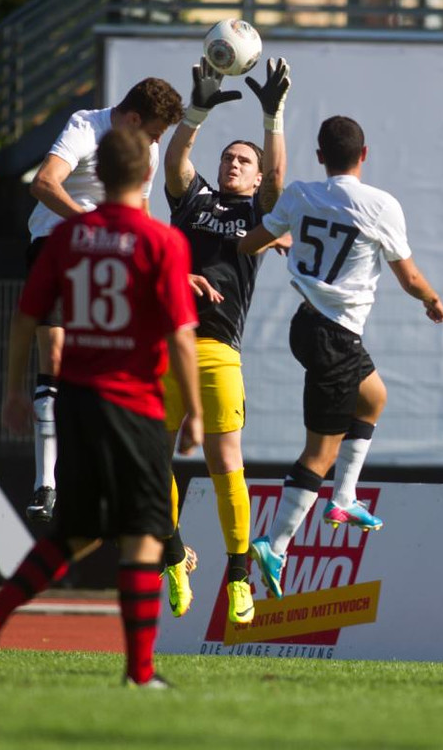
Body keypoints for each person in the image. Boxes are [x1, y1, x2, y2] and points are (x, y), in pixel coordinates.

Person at [0, 128, 202, 687]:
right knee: (144, 534)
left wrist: (14, 391)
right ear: (146, 174)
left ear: (100, 175)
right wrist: (191, 411)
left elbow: (28, 317)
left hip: (77, 404)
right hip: (134, 405)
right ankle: (140, 672)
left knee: (75, 532)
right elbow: (181, 338)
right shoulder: (160, 241)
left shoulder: (67, 237)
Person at [238, 115, 443, 598]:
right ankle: (275, 543)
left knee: (373, 398)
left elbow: (250, 242)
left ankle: (345, 497)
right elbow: (410, 277)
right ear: (364, 154)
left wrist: (269, 235)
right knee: (320, 452)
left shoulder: (300, 194)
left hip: (307, 327)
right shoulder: (381, 205)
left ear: (320, 156)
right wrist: (432, 299)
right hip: (335, 338)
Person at [161, 56, 291, 625]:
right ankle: (173, 557)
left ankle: (238, 577)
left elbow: (279, 184)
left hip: (217, 350)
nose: (234, 164)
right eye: (229, 158)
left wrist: (272, 117)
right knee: (151, 459)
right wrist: (195, 112)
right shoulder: (194, 200)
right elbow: (174, 163)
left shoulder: (257, 212)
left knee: (225, 461)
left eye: (244, 161)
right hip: (166, 344)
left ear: (256, 178)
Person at [25, 77, 184, 523]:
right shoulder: (85, 127)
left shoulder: (145, 150)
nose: (156, 143)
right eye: (154, 133)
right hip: (59, 248)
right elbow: (44, 183)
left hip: (112, 260)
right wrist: (91, 226)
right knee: (55, 361)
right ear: (132, 119)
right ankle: (46, 484)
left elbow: (141, 211)